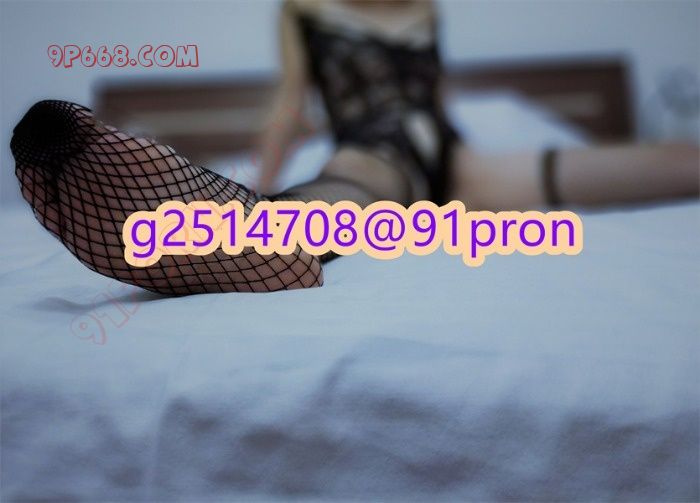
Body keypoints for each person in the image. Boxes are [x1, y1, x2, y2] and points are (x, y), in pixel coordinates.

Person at [10, 0, 698, 296]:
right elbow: (289, 106)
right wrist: (261, 173)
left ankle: (248, 227)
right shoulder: (305, 8)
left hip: (461, 163)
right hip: (377, 149)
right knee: (345, 194)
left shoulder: (425, 7)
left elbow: (435, 96)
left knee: (677, 160)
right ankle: (248, 220)